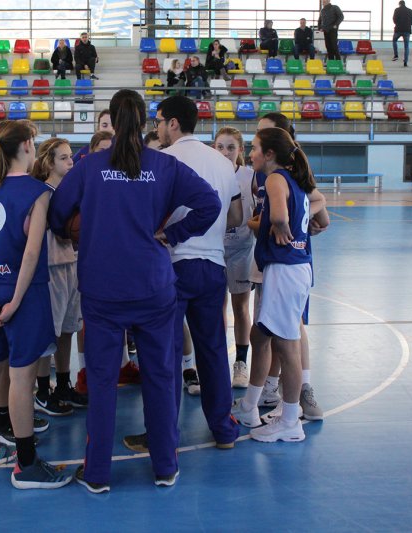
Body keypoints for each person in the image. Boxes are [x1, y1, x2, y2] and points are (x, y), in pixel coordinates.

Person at [49, 89, 221, 493]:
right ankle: (165, 467)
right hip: (153, 286)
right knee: (161, 377)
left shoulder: (90, 166)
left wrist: (81, 231)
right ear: (146, 122)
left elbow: (58, 214)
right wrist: (173, 234)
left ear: (111, 119)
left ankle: (97, 475)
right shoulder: (164, 165)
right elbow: (210, 204)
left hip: (102, 287)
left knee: (103, 382)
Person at [0, 119, 71, 488]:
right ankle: (26, 464)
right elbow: (32, 252)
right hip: (24, 294)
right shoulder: (38, 193)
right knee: (21, 377)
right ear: (25, 145)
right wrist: (14, 301)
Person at [155, 96, 242, 450]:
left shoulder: (164, 160)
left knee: (167, 354)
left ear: (173, 123)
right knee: (213, 350)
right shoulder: (221, 162)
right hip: (213, 265)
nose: (157, 127)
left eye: (159, 120)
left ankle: (164, 434)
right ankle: (223, 429)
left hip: (174, 263)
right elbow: (235, 218)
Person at [232, 127, 329, 443]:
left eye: (256, 148)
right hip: (293, 268)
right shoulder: (297, 180)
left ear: (270, 154)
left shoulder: (275, 178)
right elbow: (321, 219)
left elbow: (277, 214)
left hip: (286, 268)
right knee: (261, 332)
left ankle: (289, 421)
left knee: (287, 347)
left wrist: (281, 226)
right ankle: (250, 406)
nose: (251, 154)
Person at [31, 138, 88, 416]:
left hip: (73, 265)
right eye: (64, 158)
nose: (71, 162)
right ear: (49, 163)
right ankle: (42, 391)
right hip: (51, 268)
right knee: (47, 334)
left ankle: (63, 383)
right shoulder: (42, 193)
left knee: (67, 329)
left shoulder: (72, 191)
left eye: (71, 157)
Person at [213, 127, 256, 389]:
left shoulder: (250, 177)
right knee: (217, 308)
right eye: (220, 147)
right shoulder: (209, 173)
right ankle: (217, 361)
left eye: (231, 147)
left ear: (241, 150)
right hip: (215, 250)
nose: (225, 152)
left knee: (241, 308)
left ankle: (241, 362)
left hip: (241, 249)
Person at [392, 1, 412, 66]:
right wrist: (408, 24)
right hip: (407, 30)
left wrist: (398, 24)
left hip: (398, 29)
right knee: (406, 46)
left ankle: (396, 55)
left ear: (399, 4)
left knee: (394, 41)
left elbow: (394, 19)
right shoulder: (410, 11)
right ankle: (405, 62)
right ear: (404, 4)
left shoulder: (397, 10)